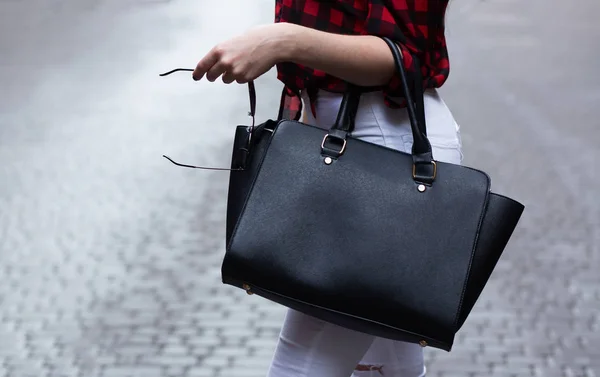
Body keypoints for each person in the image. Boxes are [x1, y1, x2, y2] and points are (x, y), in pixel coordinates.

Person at [192, 1, 460, 376]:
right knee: (388, 367)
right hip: (345, 147)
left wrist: (281, 40)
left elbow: (407, 55)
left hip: (386, 155)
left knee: (300, 363)